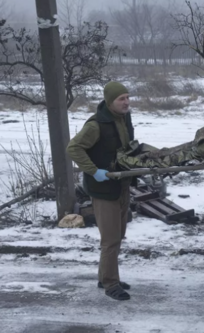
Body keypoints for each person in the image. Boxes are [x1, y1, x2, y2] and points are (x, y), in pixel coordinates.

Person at [66, 81, 135, 301]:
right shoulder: (96, 125)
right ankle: (110, 283)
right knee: (110, 239)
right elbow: (73, 148)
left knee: (118, 235)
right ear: (109, 101)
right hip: (103, 189)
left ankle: (105, 275)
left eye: (127, 97)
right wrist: (93, 171)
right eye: (120, 99)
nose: (126, 102)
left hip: (121, 185)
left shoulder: (124, 119)